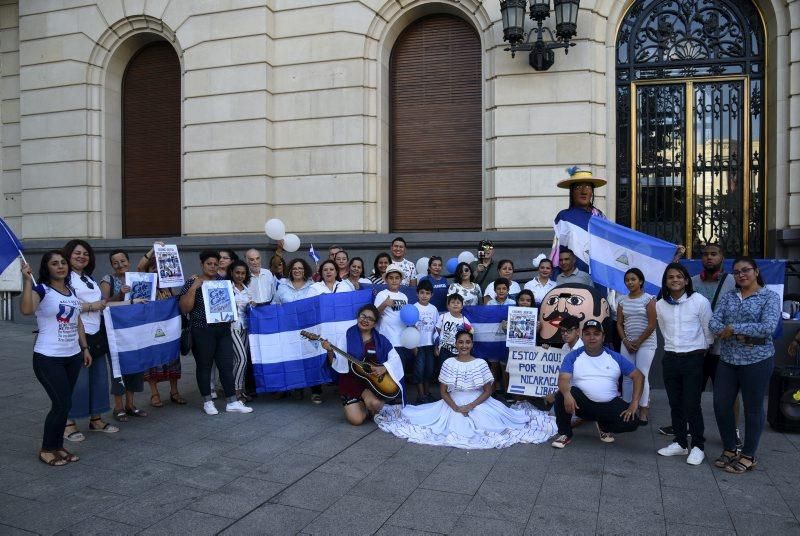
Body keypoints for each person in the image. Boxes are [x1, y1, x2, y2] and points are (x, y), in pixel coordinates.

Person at [375, 330, 557, 449]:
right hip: (452, 402)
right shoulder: (448, 362)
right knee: (434, 423)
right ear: (455, 344)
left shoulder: (480, 363)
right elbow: (444, 392)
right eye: (460, 342)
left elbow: (487, 390)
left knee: (493, 425)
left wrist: (470, 406)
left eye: (467, 342)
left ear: (472, 344)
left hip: (478, 401)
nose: (464, 346)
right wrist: (455, 408)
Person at [659, 243, 739, 439]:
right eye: (705, 255)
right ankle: (683, 426)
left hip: (724, 349)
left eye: (714, 254)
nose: (709, 258)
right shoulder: (692, 281)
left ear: (722, 257)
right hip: (696, 351)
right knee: (690, 394)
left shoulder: (733, 282)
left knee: (728, 394)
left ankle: (733, 431)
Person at [709, 257, 781, 474]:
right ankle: (730, 448)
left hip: (757, 360)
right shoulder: (729, 296)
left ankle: (749, 454)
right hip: (728, 359)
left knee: (753, 407)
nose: (741, 275)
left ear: (756, 271)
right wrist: (736, 331)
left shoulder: (769, 296)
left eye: (746, 270)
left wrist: (733, 328)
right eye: (737, 272)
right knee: (721, 405)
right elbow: (714, 323)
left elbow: (767, 327)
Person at [20, 252, 92, 466]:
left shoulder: (71, 292)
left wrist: (84, 348)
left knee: (64, 404)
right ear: (46, 268)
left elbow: (77, 321)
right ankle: (47, 449)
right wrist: (26, 280)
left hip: (72, 356)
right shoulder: (41, 289)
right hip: (48, 357)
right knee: (61, 403)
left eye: (63, 262)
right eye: (54, 263)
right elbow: (26, 310)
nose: (60, 266)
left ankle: (58, 446)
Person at [179, 250, 253, 415]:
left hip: (223, 329)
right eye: (209, 264)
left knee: (226, 366)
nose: (212, 267)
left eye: (215, 264)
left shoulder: (223, 281)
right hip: (202, 330)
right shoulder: (192, 281)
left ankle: (232, 401)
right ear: (202, 264)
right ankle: (207, 402)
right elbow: (184, 308)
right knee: (204, 366)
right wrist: (194, 288)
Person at [551, 320, 644, 448]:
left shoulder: (615, 357)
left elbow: (638, 376)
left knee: (633, 421)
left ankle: (603, 425)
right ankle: (565, 434)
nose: (592, 337)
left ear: (603, 337)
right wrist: (567, 395)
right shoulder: (573, 356)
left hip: (608, 404)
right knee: (562, 394)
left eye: (596, 334)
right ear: (582, 337)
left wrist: (634, 403)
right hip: (582, 404)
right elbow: (563, 378)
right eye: (588, 334)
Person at [655, 263, 713, 466]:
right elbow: (663, 329)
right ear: (666, 282)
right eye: (670, 277)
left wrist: (699, 353)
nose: (675, 280)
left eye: (679, 276)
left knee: (692, 404)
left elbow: (708, 332)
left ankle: (698, 446)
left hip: (694, 359)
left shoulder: (699, 301)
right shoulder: (660, 304)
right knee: (675, 403)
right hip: (671, 358)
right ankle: (680, 443)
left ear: (686, 280)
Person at [62, 239, 118, 442]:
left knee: (99, 378)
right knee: (78, 381)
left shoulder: (88, 278)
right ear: (68, 255)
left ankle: (96, 419)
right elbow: (67, 306)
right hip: (76, 335)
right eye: (77, 253)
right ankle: (68, 423)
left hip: (96, 334)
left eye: (85, 253)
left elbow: (102, 303)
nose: (81, 256)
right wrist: (93, 306)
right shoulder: (65, 278)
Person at [322, 304, 405, 425]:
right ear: (358, 317)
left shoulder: (381, 340)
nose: (365, 320)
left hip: (370, 384)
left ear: (375, 323)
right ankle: (364, 407)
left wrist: (384, 367)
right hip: (350, 383)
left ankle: (369, 404)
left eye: (370, 319)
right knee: (356, 420)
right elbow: (336, 363)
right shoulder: (347, 336)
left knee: (376, 404)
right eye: (363, 316)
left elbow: (395, 358)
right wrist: (329, 350)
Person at [100, 249, 148, 422]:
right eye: (115, 262)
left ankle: (131, 405)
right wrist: (121, 293)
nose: (120, 265)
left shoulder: (137, 278)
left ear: (129, 261)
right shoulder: (107, 280)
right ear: (111, 264)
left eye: (123, 261)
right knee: (118, 368)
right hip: (115, 332)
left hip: (135, 330)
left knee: (135, 366)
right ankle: (118, 407)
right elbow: (103, 304)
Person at [135, 244, 185, 407]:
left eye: (158, 267)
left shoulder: (169, 285)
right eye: (152, 268)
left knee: (172, 358)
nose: (156, 270)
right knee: (152, 361)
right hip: (150, 329)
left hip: (169, 329)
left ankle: (174, 391)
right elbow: (139, 266)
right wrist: (153, 249)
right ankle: (154, 394)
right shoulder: (145, 285)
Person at [272, 258, 322, 403]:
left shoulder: (313, 286)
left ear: (305, 270)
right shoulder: (282, 286)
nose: (297, 271)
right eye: (294, 268)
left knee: (311, 357)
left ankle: (316, 390)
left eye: (300, 268)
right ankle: (296, 388)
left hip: (309, 328)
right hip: (288, 329)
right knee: (292, 358)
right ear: (290, 270)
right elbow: (275, 304)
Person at [616, 268, 657, 424]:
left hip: (646, 343)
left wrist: (639, 341)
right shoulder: (622, 300)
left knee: (642, 374)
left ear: (640, 281)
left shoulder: (648, 299)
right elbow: (619, 323)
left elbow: (652, 324)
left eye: (633, 279)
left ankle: (643, 409)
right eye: (627, 280)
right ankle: (628, 407)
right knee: (627, 376)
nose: (630, 282)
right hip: (627, 343)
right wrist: (626, 341)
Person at [374, 264, 413, 372]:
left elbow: (407, 316)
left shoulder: (404, 297)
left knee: (400, 369)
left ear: (401, 280)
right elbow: (374, 315)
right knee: (388, 370)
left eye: (397, 278)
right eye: (391, 278)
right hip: (388, 339)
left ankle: (400, 389)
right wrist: (385, 304)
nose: (394, 280)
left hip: (402, 339)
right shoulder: (382, 295)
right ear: (386, 280)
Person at [228, 259, 255, 403]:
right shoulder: (227, 287)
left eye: (243, 273)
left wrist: (253, 305)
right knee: (242, 359)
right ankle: (236, 391)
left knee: (240, 361)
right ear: (231, 272)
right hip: (231, 327)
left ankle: (240, 389)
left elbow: (249, 308)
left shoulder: (247, 289)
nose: (240, 275)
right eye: (237, 272)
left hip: (245, 327)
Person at [412, 280, 439, 404]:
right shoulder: (413, 308)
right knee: (419, 370)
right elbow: (410, 327)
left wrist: (436, 345)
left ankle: (427, 393)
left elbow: (437, 328)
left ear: (431, 295)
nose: (424, 295)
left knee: (429, 370)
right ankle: (420, 395)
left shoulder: (433, 309)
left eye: (427, 293)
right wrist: (413, 345)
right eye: (422, 293)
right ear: (417, 293)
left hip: (430, 345)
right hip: (418, 345)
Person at [435, 293, 472, 372]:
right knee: (443, 369)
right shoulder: (443, 317)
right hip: (444, 349)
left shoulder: (464, 320)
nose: (455, 304)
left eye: (458, 303)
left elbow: (470, 333)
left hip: (458, 350)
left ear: (462, 306)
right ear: (448, 305)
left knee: (456, 369)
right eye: (452, 302)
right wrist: (436, 347)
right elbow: (437, 332)